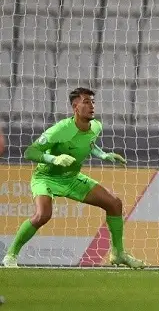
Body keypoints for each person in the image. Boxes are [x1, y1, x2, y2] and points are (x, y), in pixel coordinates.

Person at [2, 87, 144, 269]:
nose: (92, 106)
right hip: (46, 177)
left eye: (93, 101)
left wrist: (103, 155)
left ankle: (118, 254)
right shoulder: (61, 129)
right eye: (86, 102)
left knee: (114, 203)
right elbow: (30, 152)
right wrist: (54, 158)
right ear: (75, 107)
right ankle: (11, 255)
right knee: (43, 215)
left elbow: (90, 144)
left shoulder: (96, 127)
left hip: (71, 178)